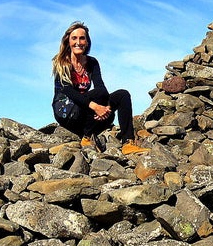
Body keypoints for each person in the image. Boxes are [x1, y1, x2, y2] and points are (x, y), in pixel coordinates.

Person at [51, 21, 145, 154]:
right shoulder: (61, 62)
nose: (78, 42)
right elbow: (69, 92)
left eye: (82, 38)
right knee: (98, 96)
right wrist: (96, 107)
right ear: (68, 41)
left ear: (87, 42)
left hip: (85, 109)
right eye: (74, 38)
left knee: (122, 95)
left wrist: (105, 108)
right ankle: (88, 137)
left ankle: (128, 142)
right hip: (66, 110)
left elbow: (101, 88)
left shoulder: (92, 62)